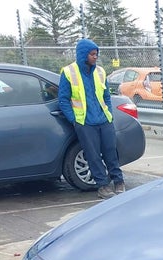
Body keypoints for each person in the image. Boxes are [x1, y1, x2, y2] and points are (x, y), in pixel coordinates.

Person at [59, 39, 125, 199]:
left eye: (96, 54)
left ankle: (118, 181)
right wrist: (74, 120)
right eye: (92, 54)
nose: (95, 57)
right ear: (83, 54)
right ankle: (103, 186)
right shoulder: (68, 72)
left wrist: (108, 113)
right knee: (93, 154)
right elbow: (63, 100)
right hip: (85, 122)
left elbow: (106, 95)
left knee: (110, 151)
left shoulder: (100, 72)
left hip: (104, 120)